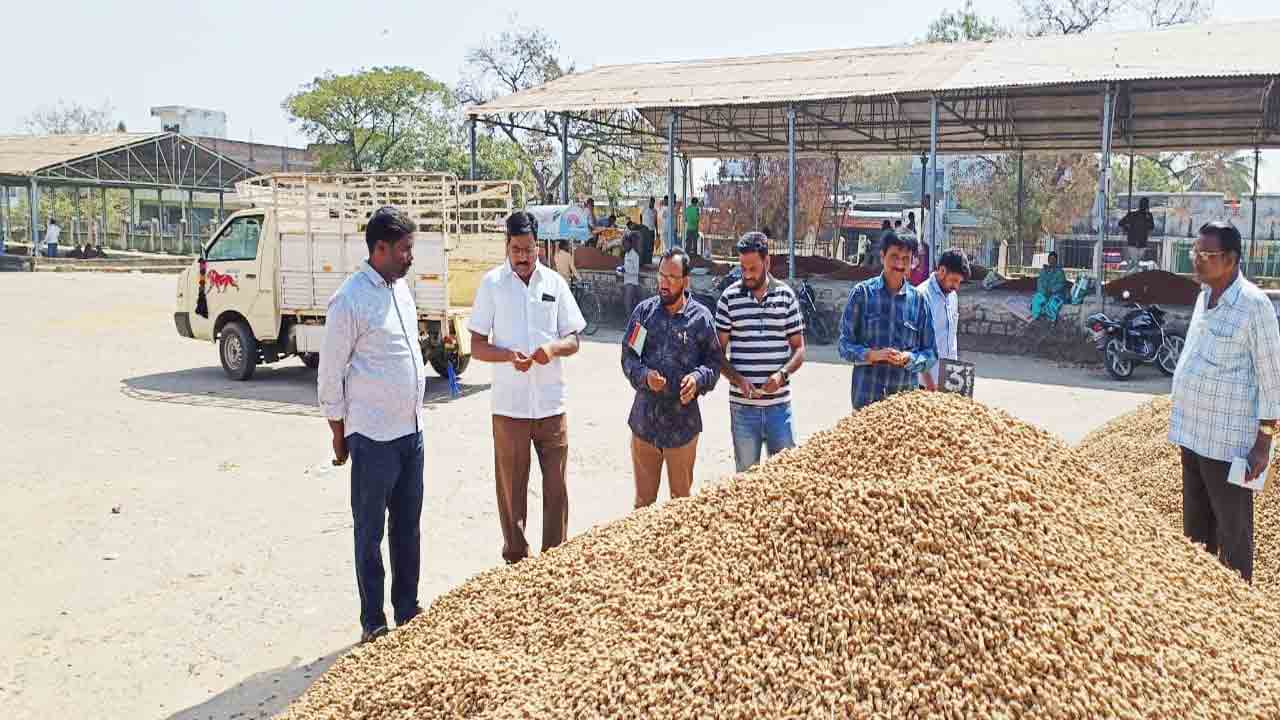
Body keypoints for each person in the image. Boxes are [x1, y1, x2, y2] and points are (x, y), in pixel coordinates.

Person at [317, 206, 427, 644]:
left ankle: (407, 607)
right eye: (404, 249)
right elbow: (330, 374)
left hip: (410, 432)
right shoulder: (349, 300)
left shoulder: (401, 289)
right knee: (370, 532)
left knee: (408, 527)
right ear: (379, 248)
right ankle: (373, 620)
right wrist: (338, 432)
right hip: (372, 436)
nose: (410, 257)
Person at [469, 211, 586, 565]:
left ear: (539, 246)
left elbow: (574, 339)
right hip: (510, 408)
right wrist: (507, 356)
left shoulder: (555, 284)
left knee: (556, 487)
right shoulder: (492, 285)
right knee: (511, 489)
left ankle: (554, 559)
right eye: (516, 249)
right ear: (506, 246)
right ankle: (517, 560)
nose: (523, 256)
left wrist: (552, 349)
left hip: (551, 405)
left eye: (529, 249)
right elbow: (477, 346)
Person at [1170, 222, 1280, 582]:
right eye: (1195, 252)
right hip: (1192, 434)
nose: (1197, 260)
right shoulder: (1204, 296)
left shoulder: (1254, 305)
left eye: (1206, 254)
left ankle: (1238, 599)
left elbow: (1272, 378)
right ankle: (1201, 596)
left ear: (1231, 260)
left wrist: (1264, 443)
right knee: (1195, 532)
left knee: (1233, 532)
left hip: (1228, 445)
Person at [621, 248, 721, 507]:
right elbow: (629, 357)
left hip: (682, 428)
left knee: (680, 505)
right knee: (643, 504)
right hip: (645, 426)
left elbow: (714, 364)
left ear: (686, 281)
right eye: (661, 275)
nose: (664, 283)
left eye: (672, 277)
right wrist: (645, 376)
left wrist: (698, 378)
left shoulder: (701, 319)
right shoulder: (644, 314)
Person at [715, 232, 806, 472]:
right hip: (743, 409)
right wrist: (738, 380)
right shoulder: (728, 299)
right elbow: (717, 354)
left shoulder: (786, 296)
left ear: (767, 262)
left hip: (779, 408)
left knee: (785, 475)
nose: (747, 274)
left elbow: (799, 349)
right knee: (746, 479)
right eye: (743, 268)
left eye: (753, 268)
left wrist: (781, 375)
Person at [838, 231, 937, 410]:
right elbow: (844, 345)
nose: (899, 264)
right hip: (866, 401)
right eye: (894, 257)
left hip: (904, 407)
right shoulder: (862, 294)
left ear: (912, 262)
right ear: (882, 256)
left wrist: (910, 358)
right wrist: (871, 355)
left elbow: (931, 354)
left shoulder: (920, 302)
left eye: (906, 259)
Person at [917, 249, 970, 391]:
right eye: (954, 280)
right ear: (942, 271)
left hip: (949, 380)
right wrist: (929, 384)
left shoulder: (952, 296)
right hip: (925, 385)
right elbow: (915, 345)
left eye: (959, 282)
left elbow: (951, 338)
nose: (956, 287)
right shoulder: (921, 296)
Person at [1030, 251, 1069, 321]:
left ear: (1056, 261)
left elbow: (1061, 284)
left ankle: (1051, 320)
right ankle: (1036, 317)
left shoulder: (1060, 272)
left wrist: (1052, 290)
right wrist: (1043, 292)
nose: (1052, 261)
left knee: (1053, 303)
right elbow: (1039, 283)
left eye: (1054, 259)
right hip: (1044, 293)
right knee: (1036, 299)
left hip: (1055, 294)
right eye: (1050, 259)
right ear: (1048, 260)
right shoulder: (1043, 271)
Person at [1119, 197, 1155, 272]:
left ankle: (1129, 274)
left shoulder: (1133, 214)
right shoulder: (1146, 215)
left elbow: (1121, 223)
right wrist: (1128, 229)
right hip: (1140, 243)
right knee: (1135, 263)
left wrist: (1127, 229)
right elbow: (1151, 227)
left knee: (1135, 263)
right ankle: (1131, 274)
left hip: (1135, 242)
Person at [622, 231, 641, 316]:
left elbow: (636, 271)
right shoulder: (626, 254)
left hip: (632, 283)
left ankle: (630, 321)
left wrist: (625, 270)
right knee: (627, 305)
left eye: (626, 244)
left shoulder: (635, 255)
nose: (624, 246)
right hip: (626, 282)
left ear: (630, 244)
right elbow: (626, 267)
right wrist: (622, 269)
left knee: (628, 304)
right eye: (623, 244)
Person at [640, 196, 657, 266]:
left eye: (653, 202)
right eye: (651, 201)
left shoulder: (655, 211)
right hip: (645, 230)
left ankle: (649, 261)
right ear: (649, 202)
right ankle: (644, 261)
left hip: (652, 230)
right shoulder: (645, 208)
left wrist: (657, 231)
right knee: (645, 245)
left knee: (651, 246)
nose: (652, 203)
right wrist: (641, 225)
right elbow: (640, 215)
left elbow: (655, 221)